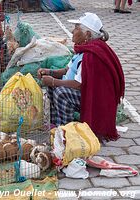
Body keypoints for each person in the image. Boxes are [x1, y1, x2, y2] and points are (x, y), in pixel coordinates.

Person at [38, 12, 125, 141]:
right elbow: (67, 70)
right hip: (81, 91)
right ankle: (57, 125)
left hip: (93, 99)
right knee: (53, 86)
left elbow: (79, 84)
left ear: (87, 34)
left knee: (61, 92)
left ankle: (67, 132)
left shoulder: (91, 55)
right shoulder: (83, 49)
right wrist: (49, 72)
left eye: (77, 28)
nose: (72, 31)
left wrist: (54, 81)